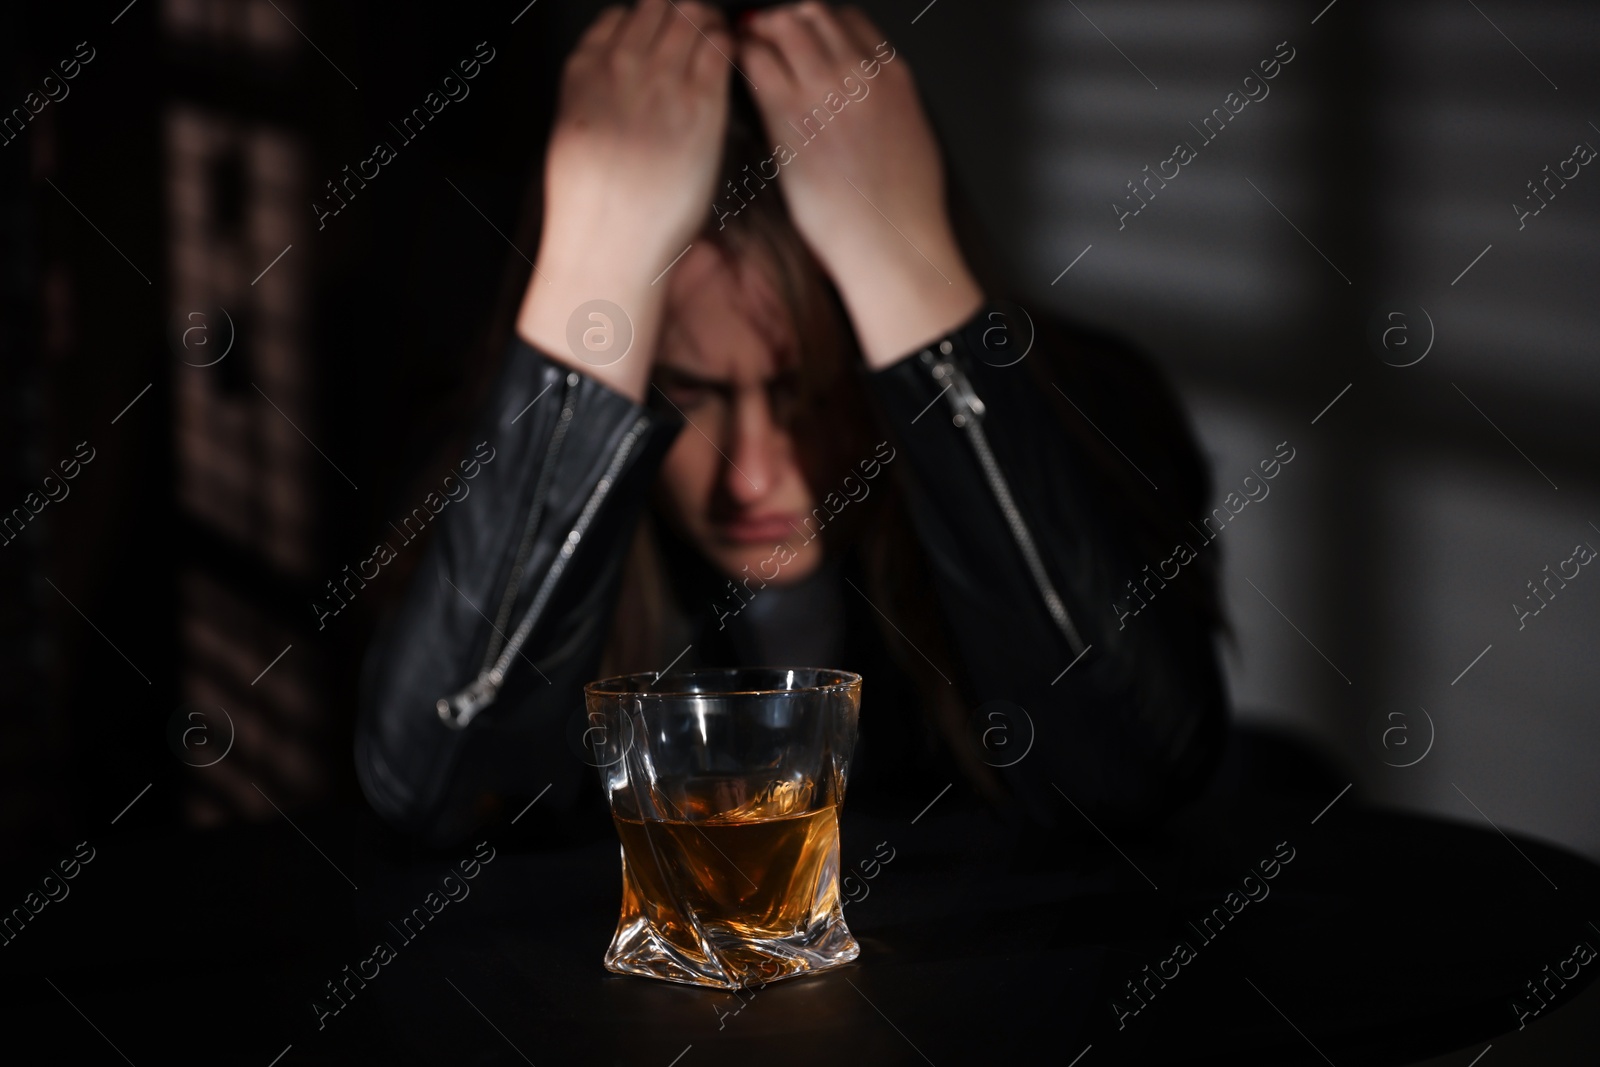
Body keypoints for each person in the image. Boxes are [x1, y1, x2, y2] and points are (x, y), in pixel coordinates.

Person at [356, 0, 1230, 847]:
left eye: (807, 397)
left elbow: (1136, 774)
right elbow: (435, 786)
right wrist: (595, 269)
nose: (749, 478)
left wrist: (903, 266)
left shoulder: (1089, 409)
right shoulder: (494, 458)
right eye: (685, 395)